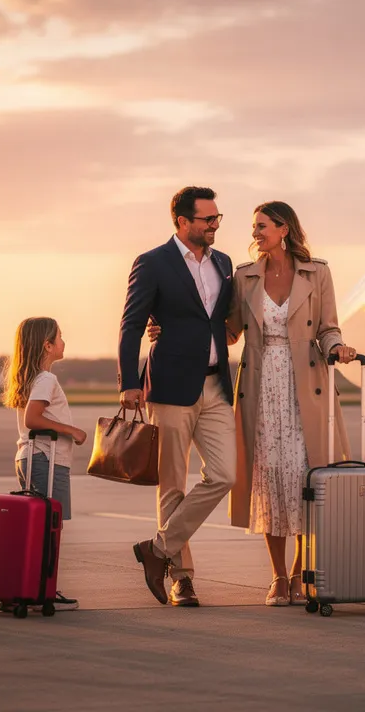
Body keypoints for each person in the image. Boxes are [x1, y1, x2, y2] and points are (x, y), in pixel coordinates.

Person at [149, 201, 358, 607]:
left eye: (262, 226)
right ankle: (278, 576)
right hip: (260, 389)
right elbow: (225, 330)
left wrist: (338, 348)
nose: (255, 233)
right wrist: (168, 328)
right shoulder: (245, 276)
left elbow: (328, 327)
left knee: (305, 479)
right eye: (254, 227)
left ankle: (300, 573)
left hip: (305, 388)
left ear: (283, 229)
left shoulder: (318, 272)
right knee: (270, 481)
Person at [118, 186, 236, 607]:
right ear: (183, 222)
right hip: (169, 385)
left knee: (225, 474)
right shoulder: (152, 262)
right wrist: (129, 381)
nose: (215, 225)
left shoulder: (223, 263)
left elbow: (221, 321)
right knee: (172, 485)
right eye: (208, 219)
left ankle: (158, 549)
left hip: (216, 385)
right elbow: (132, 324)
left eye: (218, 217)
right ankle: (182, 579)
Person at [1, 316, 86, 611]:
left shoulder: (34, 378)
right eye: (59, 337)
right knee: (49, 526)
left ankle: (24, 588)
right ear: (47, 345)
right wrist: (71, 430)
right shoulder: (46, 379)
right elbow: (33, 419)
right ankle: (42, 590)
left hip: (31, 456)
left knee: (36, 525)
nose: (63, 342)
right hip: (46, 459)